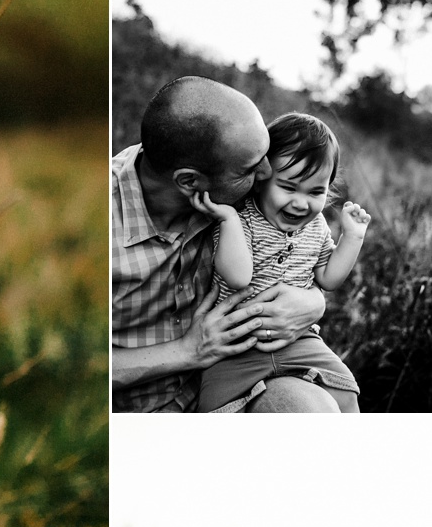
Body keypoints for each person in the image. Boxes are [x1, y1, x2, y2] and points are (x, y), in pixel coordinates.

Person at [110, 77, 334, 412]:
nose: (267, 173)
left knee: (306, 409)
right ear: (189, 182)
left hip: (242, 381)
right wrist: (187, 351)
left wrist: (313, 301)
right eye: (249, 168)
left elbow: (297, 257)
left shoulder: (239, 202)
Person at [198, 112, 369, 412]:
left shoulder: (316, 227)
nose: (302, 203)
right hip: (234, 346)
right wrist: (227, 218)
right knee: (215, 411)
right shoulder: (241, 220)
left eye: (316, 191)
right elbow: (238, 278)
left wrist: (352, 237)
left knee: (347, 393)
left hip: (298, 339)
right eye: (288, 187)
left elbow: (329, 278)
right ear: (261, 179)